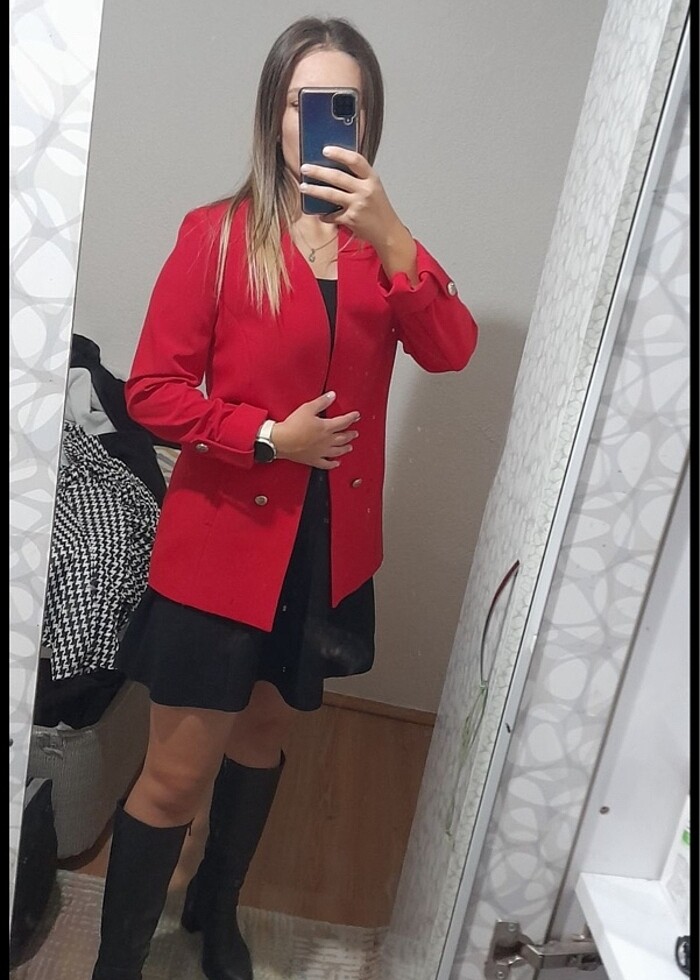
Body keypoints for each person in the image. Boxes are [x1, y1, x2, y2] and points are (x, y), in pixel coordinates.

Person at [90, 15, 478, 980]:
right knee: (175, 775)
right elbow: (151, 393)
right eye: (309, 102)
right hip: (221, 548)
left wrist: (394, 235)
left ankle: (213, 913)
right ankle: (115, 965)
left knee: (264, 735)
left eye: (348, 104)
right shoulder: (217, 237)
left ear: (368, 120)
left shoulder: (383, 254)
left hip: (326, 551)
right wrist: (268, 437)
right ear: (275, 115)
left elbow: (451, 349)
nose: (327, 121)